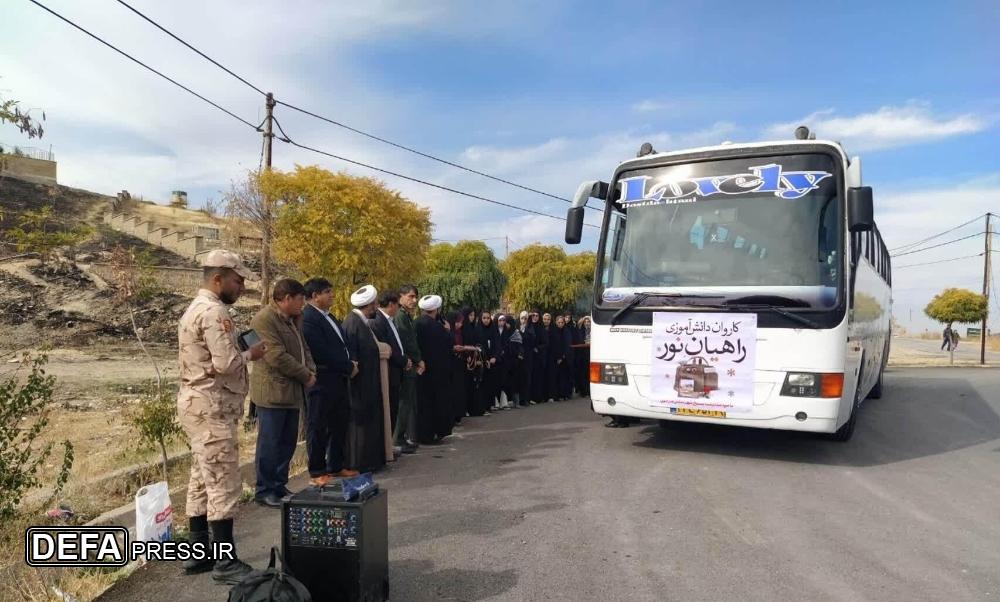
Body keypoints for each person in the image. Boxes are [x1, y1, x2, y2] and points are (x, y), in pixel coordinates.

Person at [177, 250, 264, 583]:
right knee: (224, 482)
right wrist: (251, 353)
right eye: (237, 280)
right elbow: (227, 363)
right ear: (218, 279)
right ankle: (225, 563)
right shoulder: (214, 312)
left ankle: (199, 554)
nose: (241, 286)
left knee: (202, 477)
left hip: (198, 405)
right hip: (211, 406)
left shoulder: (194, 309)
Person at [250, 278, 316, 508]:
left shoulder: (292, 320)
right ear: (286, 298)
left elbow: (303, 348)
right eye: (300, 300)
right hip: (272, 392)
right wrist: (305, 374)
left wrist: (311, 369)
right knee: (270, 443)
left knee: (287, 442)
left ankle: (278, 484)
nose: (302, 305)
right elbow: (276, 356)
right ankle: (264, 489)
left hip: (291, 392)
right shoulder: (264, 320)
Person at [301, 278, 359, 487]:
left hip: (338, 378)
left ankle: (335, 464)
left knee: (338, 422)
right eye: (327, 292)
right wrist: (346, 366)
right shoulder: (308, 318)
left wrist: (350, 362)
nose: (332, 295)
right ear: (315, 296)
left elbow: (343, 344)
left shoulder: (330, 317)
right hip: (322, 379)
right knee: (318, 425)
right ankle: (317, 470)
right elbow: (320, 351)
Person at [342, 285, 386, 473]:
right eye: (374, 304)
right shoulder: (353, 323)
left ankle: (370, 460)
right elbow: (352, 358)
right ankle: (360, 462)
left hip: (368, 384)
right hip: (360, 386)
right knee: (360, 427)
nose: (376, 307)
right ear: (369, 305)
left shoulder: (362, 322)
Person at [371, 291, 410, 456]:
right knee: (389, 408)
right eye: (397, 305)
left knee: (394, 408)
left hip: (397, 371)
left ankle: (390, 443)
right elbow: (387, 348)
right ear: (392, 304)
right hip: (388, 372)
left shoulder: (390, 321)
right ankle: (386, 445)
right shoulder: (378, 322)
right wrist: (402, 360)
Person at [415, 295, 454, 442]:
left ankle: (423, 434)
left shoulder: (416, 323)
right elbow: (448, 344)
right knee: (436, 403)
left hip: (422, 369)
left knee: (424, 403)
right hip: (438, 372)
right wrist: (448, 331)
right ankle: (435, 433)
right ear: (435, 309)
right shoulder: (438, 327)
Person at [393, 285, 424, 453]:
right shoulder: (400, 316)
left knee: (408, 402)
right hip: (407, 365)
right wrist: (418, 360)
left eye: (415, 297)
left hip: (410, 364)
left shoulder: (406, 316)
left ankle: (402, 436)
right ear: (401, 296)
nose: (414, 300)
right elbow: (407, 341)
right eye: (411, 296)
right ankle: (397, 438)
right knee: (404, 402)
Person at [477, 311, 502, 411]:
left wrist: (495, 357)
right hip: (481, 362)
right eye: (484, 318)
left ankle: (490, 405)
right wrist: (483, 359)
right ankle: (482, 406)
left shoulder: (494, 330)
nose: (486, 320)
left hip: (492, 362)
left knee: (491, 384)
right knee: (483, 384)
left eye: (488, 318)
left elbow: (498, 345)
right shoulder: (477, 330)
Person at [546, 314, 566, 401]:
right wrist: (558, 357)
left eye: (562, 322)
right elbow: (553, 345)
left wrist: (562, 356)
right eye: (559, 322)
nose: (560, 324)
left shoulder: (565, 331)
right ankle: (552, 396)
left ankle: (560, 395)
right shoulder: (553, 331)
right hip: (553, 358)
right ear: (556, 322)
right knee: (552, 377)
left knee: (561, 377)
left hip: (562, 358)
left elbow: (565, 345)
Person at [516, 311, 535, 407]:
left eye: (525, 318)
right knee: (519, 378)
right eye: (522, 318)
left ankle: (525, 399)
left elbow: (532, 340)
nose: (523, 320)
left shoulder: (530, 328)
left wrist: (525, 331)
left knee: (527, 378)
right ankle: (518, 400)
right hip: (518, 357)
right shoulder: (516, 328)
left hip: (527, 356)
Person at [530, 311, 548, 404]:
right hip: (529, 356)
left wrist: (537, 348)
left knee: (537, 377)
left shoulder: (541, 328)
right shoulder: (528, 326)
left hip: (538, 356)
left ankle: (537, 397)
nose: (535, 317)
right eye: (533, 315)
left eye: (537, 315)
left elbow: (545, 343)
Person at [575, 316, 591, 397]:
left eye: (588, 322)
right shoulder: (580, 331)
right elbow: (578, 324)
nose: (587, 323)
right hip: (582, 355)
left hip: (590, 354)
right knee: (582, 373)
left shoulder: (593, 331)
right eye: (585, 322)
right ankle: (583, 391)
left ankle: (589, 391)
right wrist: (585, 317)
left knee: (589, 374)